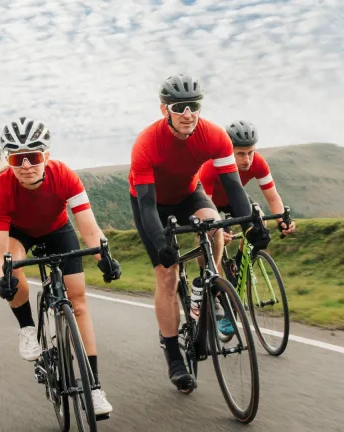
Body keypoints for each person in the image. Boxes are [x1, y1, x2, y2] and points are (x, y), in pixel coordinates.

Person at [128, 73, 271, 393]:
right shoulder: (147, 143)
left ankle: (205, 282)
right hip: (150, 203)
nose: (188, 113)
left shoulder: (215, 136)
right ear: (164, 109)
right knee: (167, 274)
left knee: (213, 226)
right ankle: (173, 354)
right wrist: (161, 243)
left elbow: (234, 190)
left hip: (189, 194)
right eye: (179, 107)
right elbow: (149, 208)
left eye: (194, 105)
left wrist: (250, 226)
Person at [0, 116, 121, 416]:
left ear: (46, 155)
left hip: (58, 230)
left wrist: (105, 259)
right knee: (13, 268)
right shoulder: (2, 188)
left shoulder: (65, 176)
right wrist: (0, 280)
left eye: (32, 156)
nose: (25, 165)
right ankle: (27, 328)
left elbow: (89, 230)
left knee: (79, 302)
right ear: (7, 160)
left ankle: (94, 387)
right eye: (16, 158)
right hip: (18, 234)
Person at [199, 119, 297, 273]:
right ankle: (216, 286)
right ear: (229, 151)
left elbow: (272, 197)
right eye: (241, 154)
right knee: (215, 239)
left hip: (236, 198)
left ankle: (238, 266)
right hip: (209, 202)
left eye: (250, 152)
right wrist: (216, 230)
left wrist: (282, 221)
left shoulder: (258, 162)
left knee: (260, 223)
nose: (247, 160)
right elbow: (205, 205)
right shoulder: (211, 166)